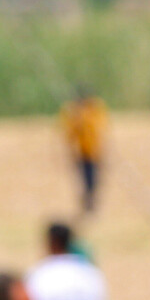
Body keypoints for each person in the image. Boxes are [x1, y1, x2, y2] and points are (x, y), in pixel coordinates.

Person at [59, 87, 108, 215]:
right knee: (84, 178)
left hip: (93, 151)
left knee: (93, 178)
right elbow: (69, 132)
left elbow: (99, 128)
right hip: (80, 151)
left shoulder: (95, 110)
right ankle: (87, 201)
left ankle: (90, 200)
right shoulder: (72, 111)